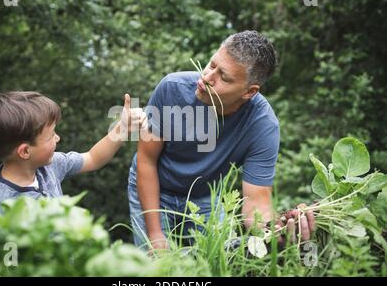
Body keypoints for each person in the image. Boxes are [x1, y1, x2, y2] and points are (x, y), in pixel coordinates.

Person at [127, 30, 315, 251]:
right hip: (154, 186)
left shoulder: (262, 125)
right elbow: (146, 160)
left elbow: (256, 202)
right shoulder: (172, 89)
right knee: (156, 269)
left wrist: (275, 230)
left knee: (217, 263)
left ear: (249, 92)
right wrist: (156, 235)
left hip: (205, 197)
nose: (206, 78)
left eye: (223, 77)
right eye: (211, 64)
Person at [0, 91, 147, 213]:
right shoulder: (2, 208)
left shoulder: (49, 165)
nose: (58, 138)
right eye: (51, 136)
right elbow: (8, 264)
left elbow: (92, 158)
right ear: (25, 151)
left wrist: (123, 128)